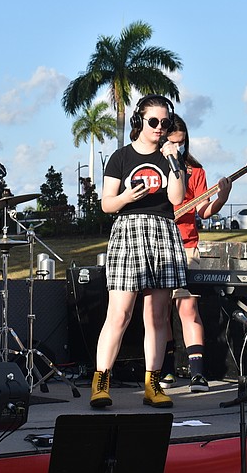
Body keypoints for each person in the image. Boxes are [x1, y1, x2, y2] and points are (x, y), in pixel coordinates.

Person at [90, 95, 187, 409]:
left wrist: (174, 162)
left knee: (158, 316)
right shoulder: (120, 157)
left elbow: (176, 198)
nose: (160, 128)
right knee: (119, 313)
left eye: (165, 122)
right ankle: (101, 381)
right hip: (128, 229)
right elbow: (106, 204)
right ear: (139, 122)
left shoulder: (171, 157)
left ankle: (153, 383)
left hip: (162, 231)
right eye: (154, 121)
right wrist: (127, 196)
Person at [159, 115, 232, 393]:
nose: (177, 148)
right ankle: (163, 371)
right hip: (159, 245)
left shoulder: (196, 170)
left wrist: (221, 198)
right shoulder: (155, 167)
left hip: (187, 245)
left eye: (181, 143)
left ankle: (197, 373)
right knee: (159, 311)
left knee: (188, 309)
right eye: (172, 142)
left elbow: (203, 211)